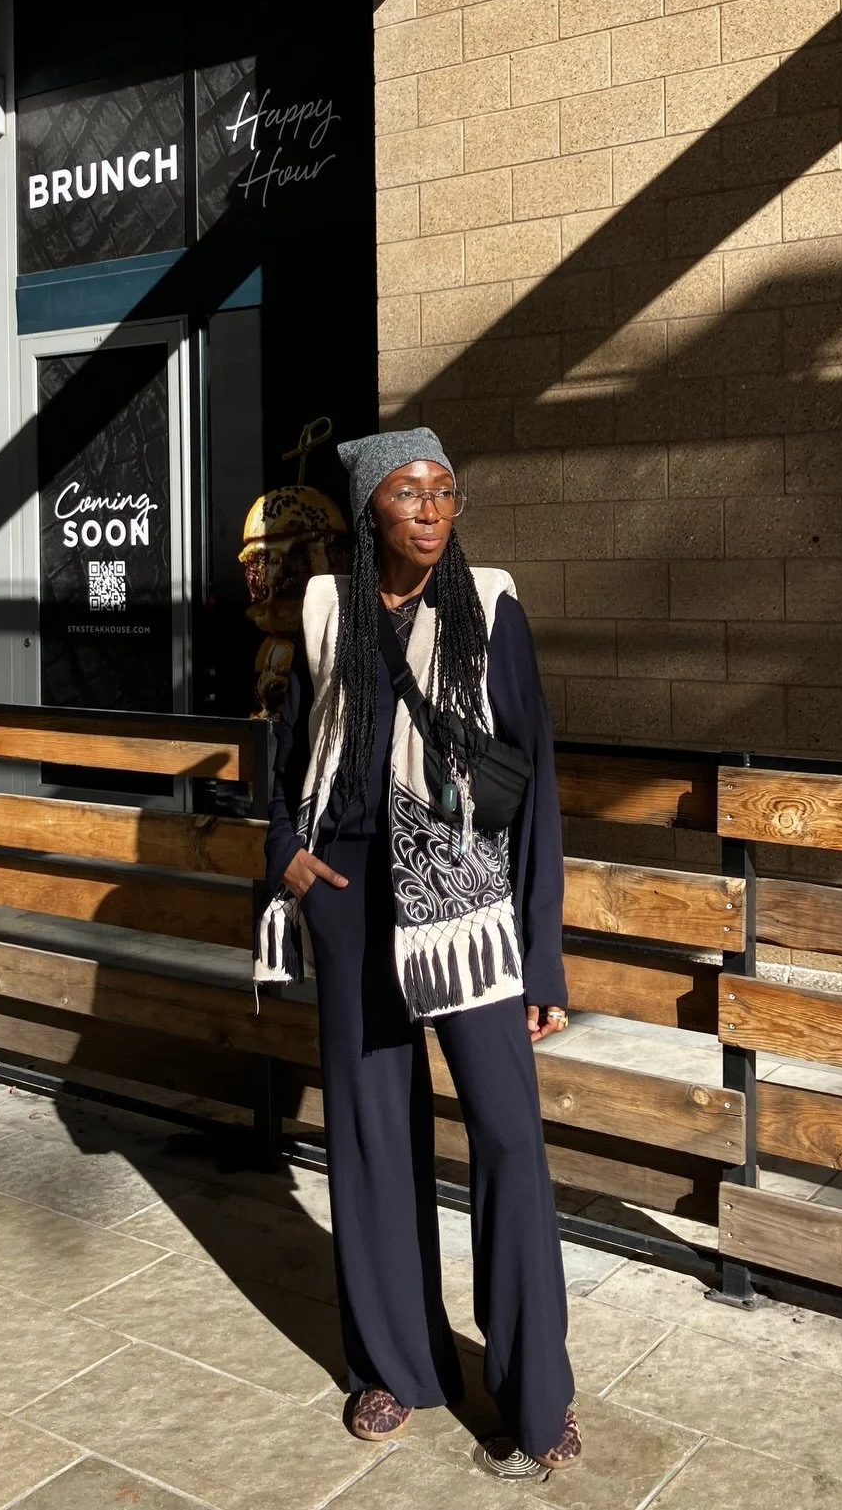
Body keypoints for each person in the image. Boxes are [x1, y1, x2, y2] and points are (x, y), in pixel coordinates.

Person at [256, 427, 580, 1476]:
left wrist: (543, 956)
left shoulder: (491, 606)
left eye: (446, 490)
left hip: (472, 914)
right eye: (409, 493)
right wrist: (288, 859)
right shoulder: (323, 609)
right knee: (371, 1137)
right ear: (369, 513)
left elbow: (533, 782)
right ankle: (394, 1362)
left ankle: (537, 1396)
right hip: (351, 898)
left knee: (509, 1136)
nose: (433, 510)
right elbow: (287, 750)